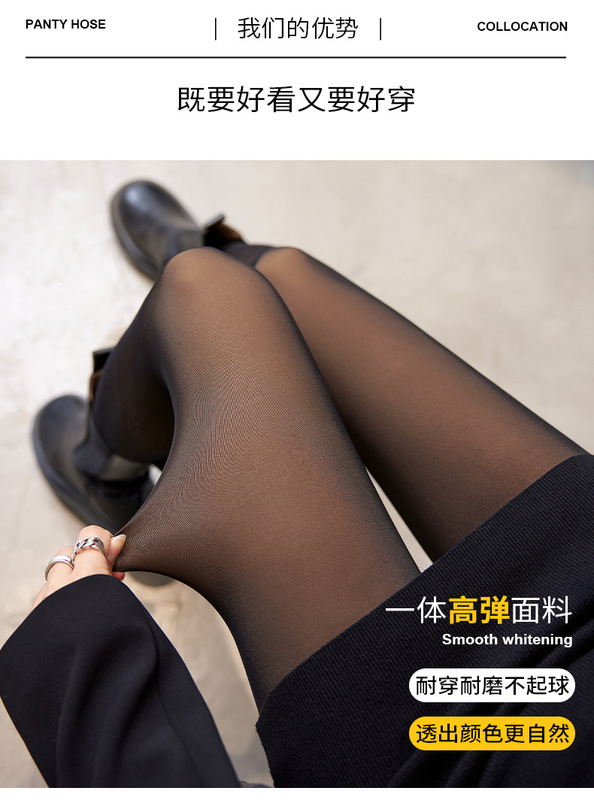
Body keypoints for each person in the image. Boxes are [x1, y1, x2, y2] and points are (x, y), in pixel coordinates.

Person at [0, 180, 592, 788]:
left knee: (200, 292)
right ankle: (242, 269)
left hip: (460, 756)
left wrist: (91, 668)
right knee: (282, 272)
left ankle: (105, 470)